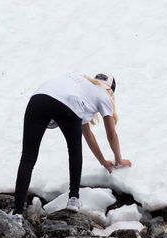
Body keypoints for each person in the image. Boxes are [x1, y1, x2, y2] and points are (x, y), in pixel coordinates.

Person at [8, 73, 131, 226]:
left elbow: (88, 134)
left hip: (38, 99)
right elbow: (111, 134)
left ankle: (17, 214)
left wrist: (102, 161)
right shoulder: (103, 94)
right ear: (111, 90)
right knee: (74, 149)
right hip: (68, 104)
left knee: (28, 157)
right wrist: (118, 160)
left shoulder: (81, 85)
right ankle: (73, 199)